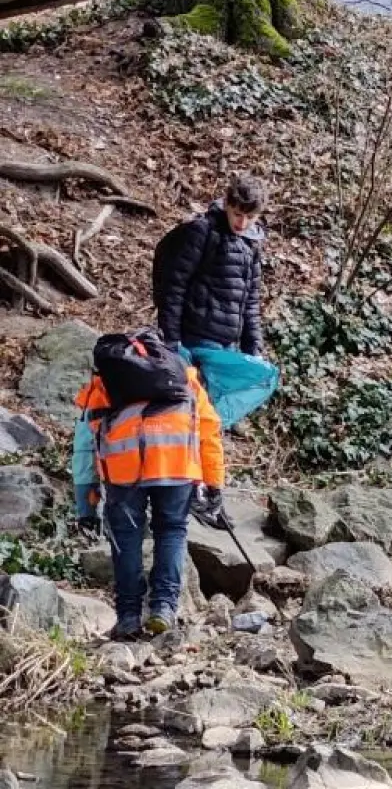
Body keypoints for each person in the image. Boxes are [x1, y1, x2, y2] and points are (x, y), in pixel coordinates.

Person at [74, 328, 229, 639]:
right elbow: (209, 432)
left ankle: (129, 616)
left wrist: (85, 506)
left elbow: (83, 448)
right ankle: (163, 608)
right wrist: (214, 484)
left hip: (122, 468)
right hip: (175, 463)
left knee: (126, 538)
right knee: (171, 529)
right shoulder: (185, 377)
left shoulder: (104, 382)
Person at [153, 174, 268, 358]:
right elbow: (173, 288)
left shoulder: (251, 244)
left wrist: (253, 351)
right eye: (237, 214)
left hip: (229, 346)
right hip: (194, 340)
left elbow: (250, 303)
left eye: (250, 217)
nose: (242, 223)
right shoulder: (202, 232)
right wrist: (171, 341)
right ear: (227, 205)